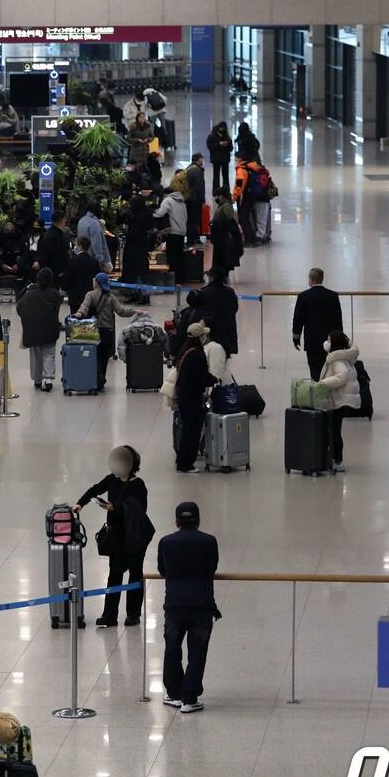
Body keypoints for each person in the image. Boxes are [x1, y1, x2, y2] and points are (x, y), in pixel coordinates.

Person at [76, 446, 155, 627]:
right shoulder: (112, 479)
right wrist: (80, 503)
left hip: (134, 536)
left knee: (135, 575)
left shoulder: (138, 485)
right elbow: (95, 489)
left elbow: (138, 508)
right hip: (117, 536)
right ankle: (109, 615)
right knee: (114, 575)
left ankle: (133, 614)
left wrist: (115, 507)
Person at [157, 501, 219, 713]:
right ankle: (189, 698)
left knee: (172, 648)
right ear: (198, 519)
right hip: (201, 604)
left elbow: (162, 570)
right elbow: (212, 567)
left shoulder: (166, 542)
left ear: (176, 521)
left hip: (174, 604)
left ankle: (174, 693)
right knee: (197, 651)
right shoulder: (209, 541)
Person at [75, 272, 136, 392]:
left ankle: (95, 379)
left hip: (93, 330)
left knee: (94, 356)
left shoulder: (90, 294)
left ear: (96, 283)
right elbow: (121, 311)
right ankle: (101, 379)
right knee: (104, 357)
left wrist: (79, 313)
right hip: (108, 332)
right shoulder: (110, 297)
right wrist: (134, 311)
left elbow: (84, 306)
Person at [173, 322, 216, 474]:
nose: (205, 337)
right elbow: (201, 377)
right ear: (199, 337)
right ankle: (186, 464)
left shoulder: (185, 351)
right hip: (192, 397)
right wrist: (214, 379)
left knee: (187, 429)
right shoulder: (197, 355)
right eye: (203, 335)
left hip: (184, 395)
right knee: (192, 431)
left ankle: (181, 460)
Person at [318, 331, 361, 473]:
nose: (326, 342)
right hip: (340, 399)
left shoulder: (337, 360)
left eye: (329, 340)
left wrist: (323, 383)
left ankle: (338, 461)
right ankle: (335, 459)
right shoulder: (342, 356)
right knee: (334, 430)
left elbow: (342, 376)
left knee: (334, 431)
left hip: (339, 400)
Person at [291, 268, 343, 381]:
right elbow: (338, 319)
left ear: (310, 279)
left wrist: (296, 338)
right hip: (329, 341)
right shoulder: (333, 296)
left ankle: (317, 388)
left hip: (312, 341)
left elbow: (298, 319)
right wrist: (339, 339)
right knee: (329, 370)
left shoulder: (303, 296)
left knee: (314, 369)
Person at [16, 267, 62, 392]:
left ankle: (37, 380)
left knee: (36, 355)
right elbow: (56, 309)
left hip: (33, 330)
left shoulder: (29, 294)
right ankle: (48, 379)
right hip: (50, 329)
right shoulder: (55, 294)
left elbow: (20, 308)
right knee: (49, 354)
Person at [197, 267, 239, 356]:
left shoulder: (204, 292)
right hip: (227, 331)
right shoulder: (230, 292)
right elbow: (235, 308)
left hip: (210, 332)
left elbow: (199, 311)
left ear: (212, 278)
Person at [207, 188, 242, 275]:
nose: (216, 198)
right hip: (220, 234)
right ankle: (215, 270)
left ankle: (220, 272)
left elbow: (226, 219)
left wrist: (215, 223)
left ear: (222, 196)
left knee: (222, 254)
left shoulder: (226, 206)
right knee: (218, 253)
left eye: (217, 196)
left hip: (223, 235)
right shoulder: (222, 205)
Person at [183, 153, 207, 246]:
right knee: (194, 220)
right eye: (202, 158)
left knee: (191, 219)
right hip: (194, 199)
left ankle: (195, 238)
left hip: (188, 198)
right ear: (199, 159)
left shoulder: (189, 168)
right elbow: (199, 187)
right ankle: (191, 240)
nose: (202, 160)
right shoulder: (197, 171)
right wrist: (203, 200)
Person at [205, 122, 233, 193]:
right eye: (221, 128)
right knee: (216, 176)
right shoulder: (212, 136)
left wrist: (227, 144)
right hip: (216, 159)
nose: (222, 130)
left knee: (225, 176)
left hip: (225, 159)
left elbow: (231, 148)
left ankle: (226, 191)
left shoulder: (227, 137)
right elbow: (210, 147)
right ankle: (216, 191)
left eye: (223, 128)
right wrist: (219, 144)